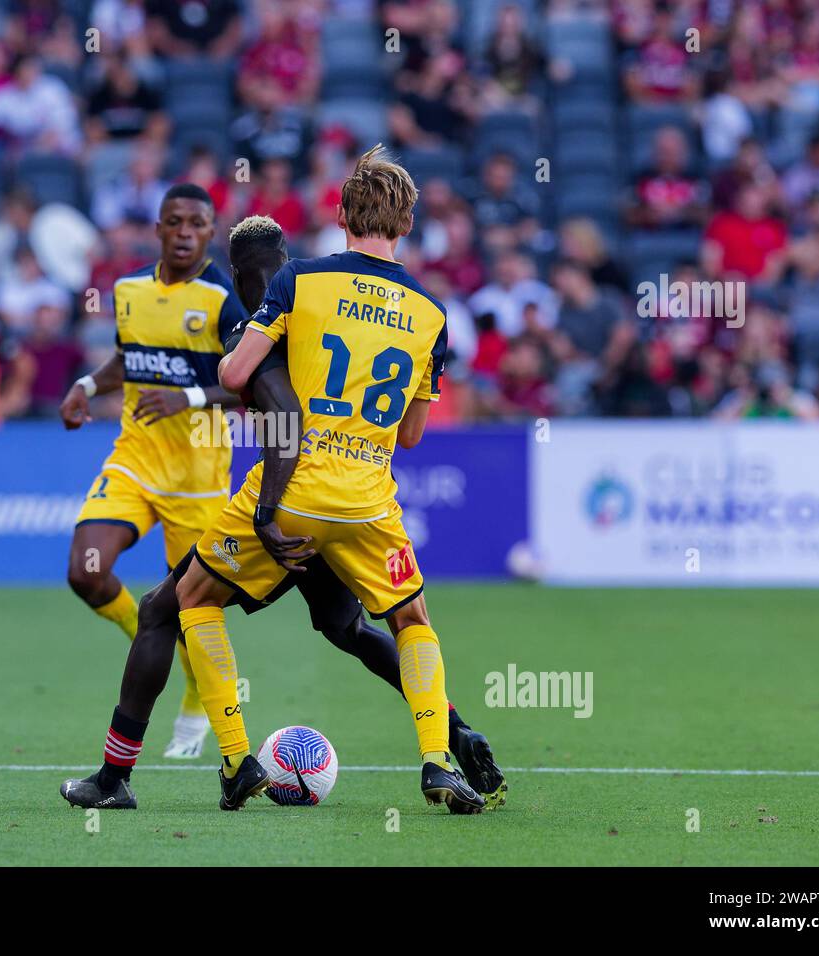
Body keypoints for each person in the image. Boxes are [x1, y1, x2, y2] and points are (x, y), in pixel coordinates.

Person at [59, 215, 506, 811]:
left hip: (287, 499)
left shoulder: (261, 318)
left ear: (239, 272)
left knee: (166, 608)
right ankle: (449, 735)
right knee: (349, 628)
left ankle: (136, 775)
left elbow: (282, 420)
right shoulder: (322, 303)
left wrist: (267, 513)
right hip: (354, 501)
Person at [176, 146, 485, 812]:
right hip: (368, 498)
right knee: (411, 619)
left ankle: (236, 760)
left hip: (290, 488)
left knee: (194, 597)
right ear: (406, 224)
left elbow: (234, 377)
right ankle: (436, 762)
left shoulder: (300, 281)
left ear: (341, 212)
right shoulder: (432, 316)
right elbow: (411, 435)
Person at [58, 183, 249, 759]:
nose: (185, 232)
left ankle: (204, 702)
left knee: (194, 608)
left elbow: (248, 384)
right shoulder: (130, 289)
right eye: (174, 222)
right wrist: (88, 385)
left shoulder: (223, 299)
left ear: (211, 232)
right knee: (86, 571)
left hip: (199, 481)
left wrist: (187, 398)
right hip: (136, 462)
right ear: (159, 229)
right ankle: (143, 634)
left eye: (196, 223)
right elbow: (130, 357)